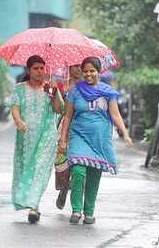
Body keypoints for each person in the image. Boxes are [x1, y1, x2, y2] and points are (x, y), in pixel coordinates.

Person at [58, 57, 132, 225]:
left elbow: (115, 114)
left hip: (99, 139)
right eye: (85, 71)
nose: (88, 74)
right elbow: (68, 116)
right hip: (79, 136)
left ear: (99, 72)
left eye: (92, 71)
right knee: (78, 171)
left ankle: (89, 211)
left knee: (93, 175)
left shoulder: (108, 92)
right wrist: (63, 139)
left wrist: (125, 133)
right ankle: (76, 209)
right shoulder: (75, 91)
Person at [9, 55, 64, 223]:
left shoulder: (49, 88)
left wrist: (55, 93)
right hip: (26, 137)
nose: (40, 71)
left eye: (42, 68)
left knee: (40, 168)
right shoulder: (19, 88)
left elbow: (58, 109)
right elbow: (15, 107)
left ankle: (34, 206)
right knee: (28, 170)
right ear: (28, 70)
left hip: (47, 135)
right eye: (36, 68)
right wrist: (18, 121)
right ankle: (33, 203)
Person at [55, 64, 83, 210]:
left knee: (79, 163)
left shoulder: (87, 86)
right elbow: (57, 107)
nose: (78, 69)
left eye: (81, 66)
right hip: (63, 127)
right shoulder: (62, 85)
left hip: (81, 128)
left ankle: (76, 200)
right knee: (62, 162)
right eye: (75, 66)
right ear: (69, 67)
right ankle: (64, 188)